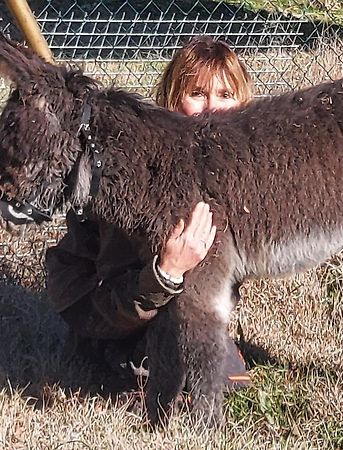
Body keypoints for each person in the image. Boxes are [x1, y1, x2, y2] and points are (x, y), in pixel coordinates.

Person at [45, 36, 253, 391]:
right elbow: (107, 286)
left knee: (226, 376)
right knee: (167, 380)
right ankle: (115, 353)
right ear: (172, 102)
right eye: (198, 94)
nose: (212, 108)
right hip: (97, 307)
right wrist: (167, 271)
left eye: (225, 94)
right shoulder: (140, 176)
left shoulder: (228, 170)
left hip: (166, 306)